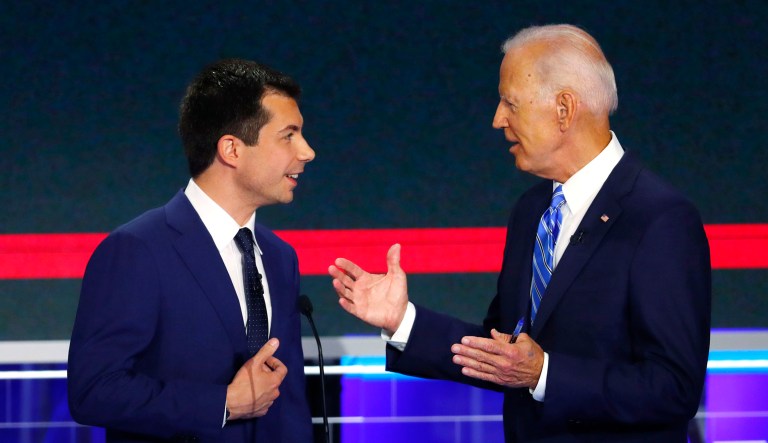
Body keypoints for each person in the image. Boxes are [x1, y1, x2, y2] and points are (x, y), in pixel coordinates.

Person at [329, 24, 711, 442]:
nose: (497, 120)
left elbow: (674, 389)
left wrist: (544, 372)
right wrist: (403, 321)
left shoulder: (659, 219)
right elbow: (502, 351)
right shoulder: (533, 210)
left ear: (564, 109)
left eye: (510, 103)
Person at [68, 59, 315, 442]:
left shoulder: (280, 256)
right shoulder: (137, 250)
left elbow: (289, 400)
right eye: (289, 135)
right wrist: (223, 403)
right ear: (231, 149)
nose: (307, 152)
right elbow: (93, 392)